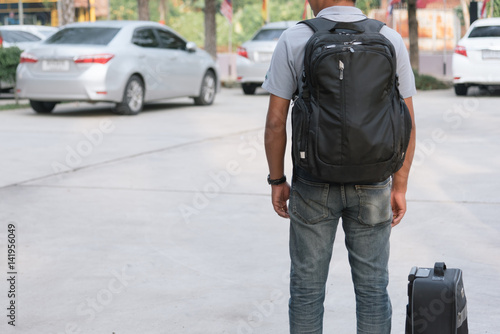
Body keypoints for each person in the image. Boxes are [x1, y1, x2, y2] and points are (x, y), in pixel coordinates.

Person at [262, 0, 416, 333]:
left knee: (306, 289)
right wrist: (400, 186)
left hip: (312, 183)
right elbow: (408, 123)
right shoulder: (390, 39)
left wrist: (277, 180)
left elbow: (276, 122)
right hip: (373, 184)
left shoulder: (294, 39)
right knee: (373, 290)